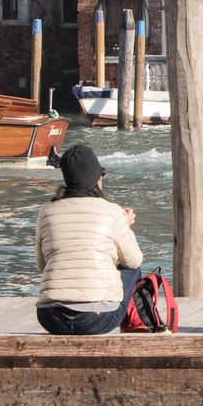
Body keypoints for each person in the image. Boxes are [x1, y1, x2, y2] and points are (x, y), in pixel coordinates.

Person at [35, 143, 143, 335]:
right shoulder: (112, 211)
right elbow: (133, 260)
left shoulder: (46, 212)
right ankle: (135, 326)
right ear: (96, 177)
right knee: (133, 269)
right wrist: (123, 225)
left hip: (50, 318)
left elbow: (42, 264)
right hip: (97, 319)